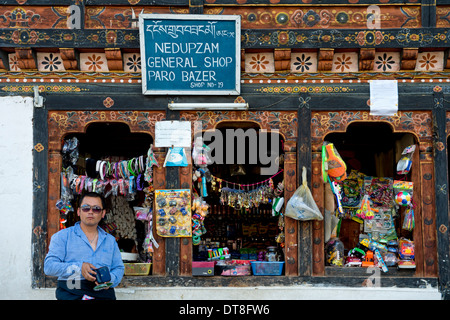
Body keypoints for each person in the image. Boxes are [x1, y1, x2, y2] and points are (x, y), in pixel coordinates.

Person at [44, 192, 124, 300]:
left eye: (96, 209)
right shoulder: (62, 236)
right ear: (78, 211)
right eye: (86, 208)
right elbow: (49, 267)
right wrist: (78, 268)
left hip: (103, 294)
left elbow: (118, 268)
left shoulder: (110, 240)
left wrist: (110, 279)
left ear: (103, 213)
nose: (90, 212)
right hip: (72, 292)